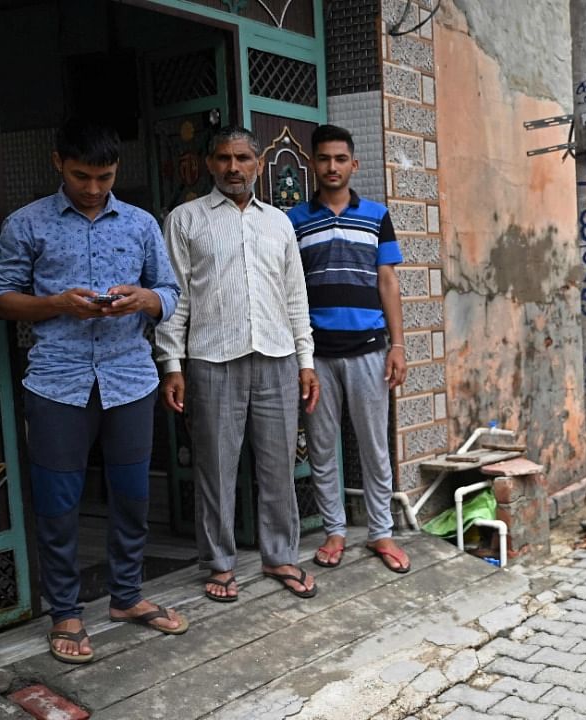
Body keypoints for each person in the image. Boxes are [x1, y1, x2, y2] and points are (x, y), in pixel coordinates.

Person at [0, 119, 187, 664]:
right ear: (58, 164)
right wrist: (57, 303)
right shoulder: (27, 224)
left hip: (129, 378)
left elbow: (169, 293)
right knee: (58, 502)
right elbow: (2, 298)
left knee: (133, 494)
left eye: (105, 176)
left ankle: (126, 597)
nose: (95, 187)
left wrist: (143, 299)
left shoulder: (143, 224)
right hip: (57, 380)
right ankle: (66, 612)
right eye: (82, 176)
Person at [154, 126, 321, 601]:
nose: (234, 168)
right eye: (224, 158)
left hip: (277, 357)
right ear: (210, 164)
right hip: (211, 359)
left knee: (277, 467)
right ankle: (219, 563)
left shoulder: (279, 223)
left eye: (243, 158)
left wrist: (305, 361)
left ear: (258, 163)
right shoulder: (185, 220)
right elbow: (177, 298)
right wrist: (172, 363)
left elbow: (295, 297)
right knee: (216, 468)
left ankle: (280, 556)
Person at [286, 124, 410, 573]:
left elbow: (389, 282)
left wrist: (397, 345)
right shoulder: (294, 221)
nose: (332, 167)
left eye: (341, 159)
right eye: (324, 159)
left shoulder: (376, 215)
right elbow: (291, 288)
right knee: (322, 447)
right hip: (317, 356)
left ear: (353, 164)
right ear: (312, 163)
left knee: (375, 446)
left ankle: (382, 533)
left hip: (369, 351)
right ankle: (334, 531)